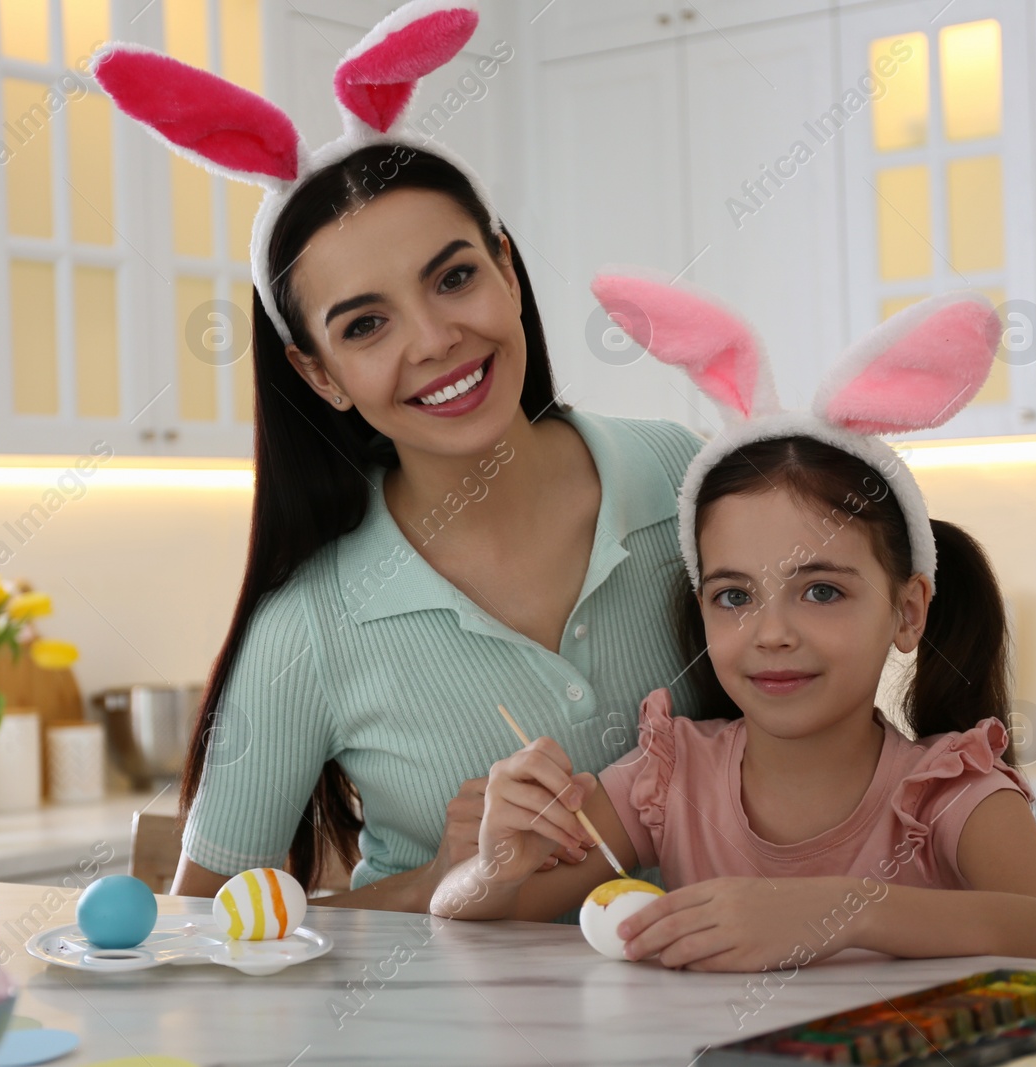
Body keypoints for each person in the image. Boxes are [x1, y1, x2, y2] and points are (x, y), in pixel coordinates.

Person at [93, 3, 703, 909]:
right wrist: (443, 878)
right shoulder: (311, 624)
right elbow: (201, 930)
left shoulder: (686, 483)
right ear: (320, 372)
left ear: (504, 266)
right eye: (366, 324)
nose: (434, 340)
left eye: (454, 276)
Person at [432, 275, 1036, 968]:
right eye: (734, 596)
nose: (771, 631)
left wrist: (840, 910)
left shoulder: (947, 792)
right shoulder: (671, 779)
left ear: (907, 612)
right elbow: (471, 913)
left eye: (819, 592)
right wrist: (497, 867)